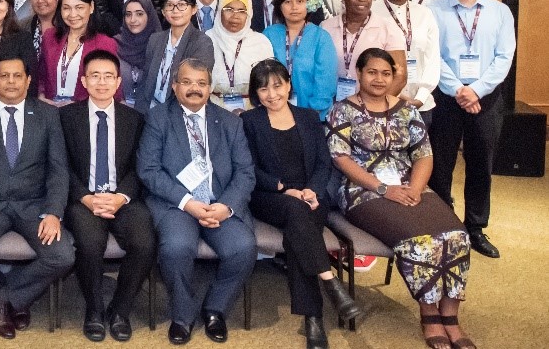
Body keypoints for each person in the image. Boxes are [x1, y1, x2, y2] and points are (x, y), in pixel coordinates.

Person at [328, 49, 476, 349]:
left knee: (457, 235)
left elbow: (424, 154)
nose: (379, 79)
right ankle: (429, 313)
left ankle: (450, 315)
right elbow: (341, 159)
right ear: (359, 73)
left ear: (394, 76)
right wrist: (384, 189)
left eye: (386, 73)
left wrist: (415, 189)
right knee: (418, 238)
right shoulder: (341, 111)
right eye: (372, 72)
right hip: (363, 190)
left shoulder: (408, 111)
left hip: (411, 185)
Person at [242, 60, 360, 347]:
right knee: (298, 216)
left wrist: (311, 191)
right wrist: (282, 188)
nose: (272, 94)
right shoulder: (249, 121)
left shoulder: (309, 117)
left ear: (289, 84)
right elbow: (248, 167)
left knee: (299, 231)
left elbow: (323, 163)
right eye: (264, 88)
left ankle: (314, 317)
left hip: (310, 199)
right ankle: (330, 282)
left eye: (278, 85)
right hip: (269, 197)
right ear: (255, 93)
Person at [138, 58, 256, 345]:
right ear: (175, 86)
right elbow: (148, 170)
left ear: (210, 88)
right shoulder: (158, 118)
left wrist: (226, 206)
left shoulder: (229, 121)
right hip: (176, 203)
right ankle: (182, 315)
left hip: (219, 204)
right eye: (187, 82)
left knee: (244, 247)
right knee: (176, 247)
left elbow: (245, 172)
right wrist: (188, 202)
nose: (194, 89)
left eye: (201, 83)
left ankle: (215, 309)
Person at [0, 56, 73, 340]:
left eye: (17, 76)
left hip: (34, 205)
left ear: (28, 80)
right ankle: (13, 301)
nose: (11, 82)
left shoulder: (47, 115)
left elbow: (58, 170)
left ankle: (6, 300)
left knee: (63, 255)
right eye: (4, 76)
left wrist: (54, 213)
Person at [61, 50, 155, 342]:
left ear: (118, 83)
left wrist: (121, 197)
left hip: (123, 198)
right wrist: (85, 197)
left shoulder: (135, 119)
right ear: (84, 81)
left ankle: (120, 310)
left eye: (108, 77)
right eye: (95, 76)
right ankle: (94, 308)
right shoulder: (65, 117)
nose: (101, 83)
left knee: (145, 242)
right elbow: (59, 165)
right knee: (89, 244)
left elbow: (143, 165)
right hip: (82, 198)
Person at [428, 0, 515, 260]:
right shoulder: (434, 9)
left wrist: (476, 90)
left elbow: (504, 57)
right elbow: (431, 56)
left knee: (481, 162)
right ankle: (442, 223)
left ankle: (476, 227)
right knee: (441, 162)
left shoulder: (499, 11)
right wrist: (459, 90)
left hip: (486, 97)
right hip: (447, 96)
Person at [321, 0, 408, 104]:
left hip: (371, 110)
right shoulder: (326, 27)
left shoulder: (388, 28)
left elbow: (400, 76)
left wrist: (371, 108)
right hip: (331, 106)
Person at [264, 0, 339, 119]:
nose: (294, 7)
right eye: (287, 1)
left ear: (309, 4)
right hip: (272, 113)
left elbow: (326, 81)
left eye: (300, 1)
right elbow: (261, 75)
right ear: (279, 6)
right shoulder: (269, 34)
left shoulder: (320, 37)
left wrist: (312, 114)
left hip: (311, 115)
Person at [133, 0, 215, 113]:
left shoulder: (202, 42)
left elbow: (196, 86)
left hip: (181, 112)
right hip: (149, 109)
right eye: (170, 5)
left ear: (194, 9)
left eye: (182, 5)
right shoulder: (155, 39)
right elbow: (145, 81)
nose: (175, 10)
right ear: (164, 12)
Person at [38, 0, 118, 106]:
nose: (72, 14)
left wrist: (76, 105)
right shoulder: (50, 37)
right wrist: (41, 95)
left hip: (83, 113)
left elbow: (110, 87)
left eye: (79, 7)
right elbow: (42, 74)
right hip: (50, 110)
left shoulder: (106, 44)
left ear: (91, 7)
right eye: (66, 8)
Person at [381, 0, 442, 123]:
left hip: (421, 105)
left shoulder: (424, 14)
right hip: (383, 101)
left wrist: (421, 96)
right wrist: (397, 94)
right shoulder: (372, 13)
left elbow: (433, 58)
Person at [206, 0, 275, 113]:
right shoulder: (206, 40)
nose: (235, 16)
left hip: (254, 110)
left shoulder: (260, 42)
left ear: (249, 14)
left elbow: (268, 83)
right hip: (213, 110)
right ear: (219, 11)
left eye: (242, 11)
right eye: (229, 10)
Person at [115, 0, 162, 109]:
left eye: (139, 14)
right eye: (128, 14)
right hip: (119, 111)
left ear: (150, 16)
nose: (132, 20)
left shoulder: (160, 46)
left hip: (152, 114)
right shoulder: (114, 44)